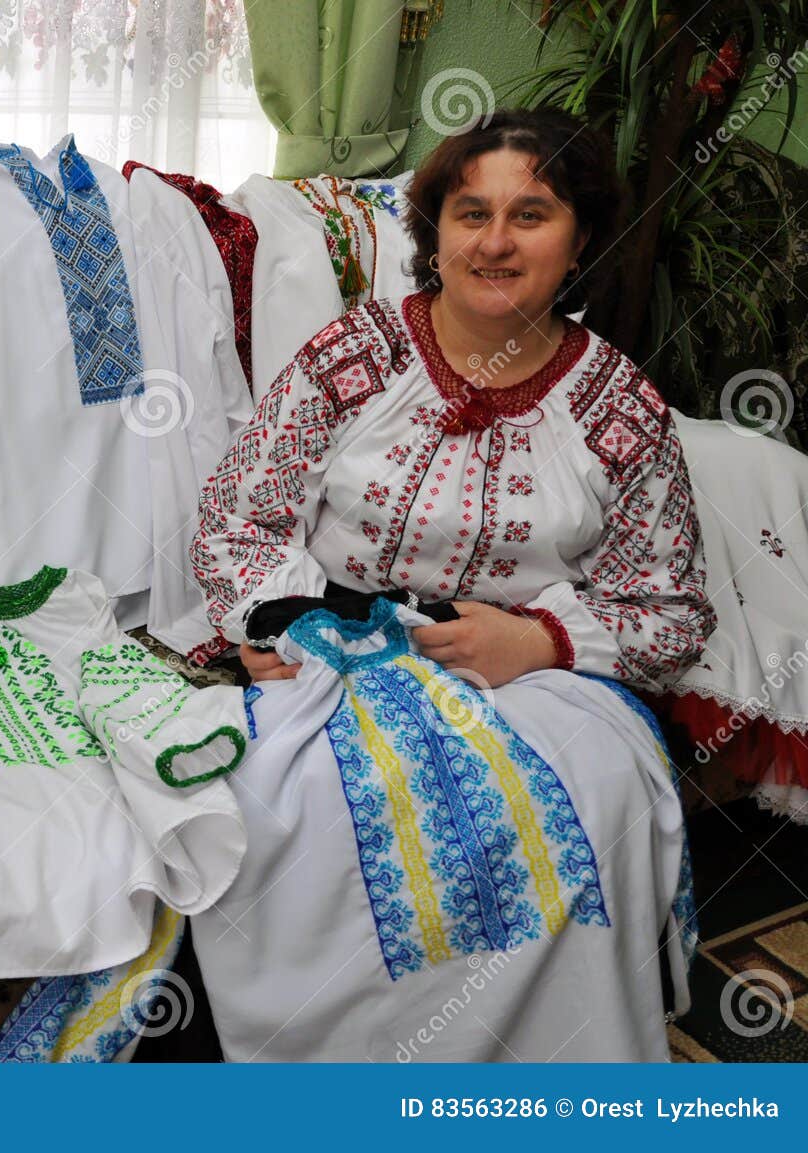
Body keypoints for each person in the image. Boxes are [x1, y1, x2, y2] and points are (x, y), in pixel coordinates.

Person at [188, 108, 715, 1061]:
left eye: (533, 213)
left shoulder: (622, 407)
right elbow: (240, 513)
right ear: (436, 232)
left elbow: (671, 612)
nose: (497, 241)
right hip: (326, 654)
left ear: (580, 235)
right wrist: (286, 624)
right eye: (471, 213)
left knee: (589, 804)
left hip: (534, 681)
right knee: (288, 800)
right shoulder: (353, 356)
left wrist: (542, 642)